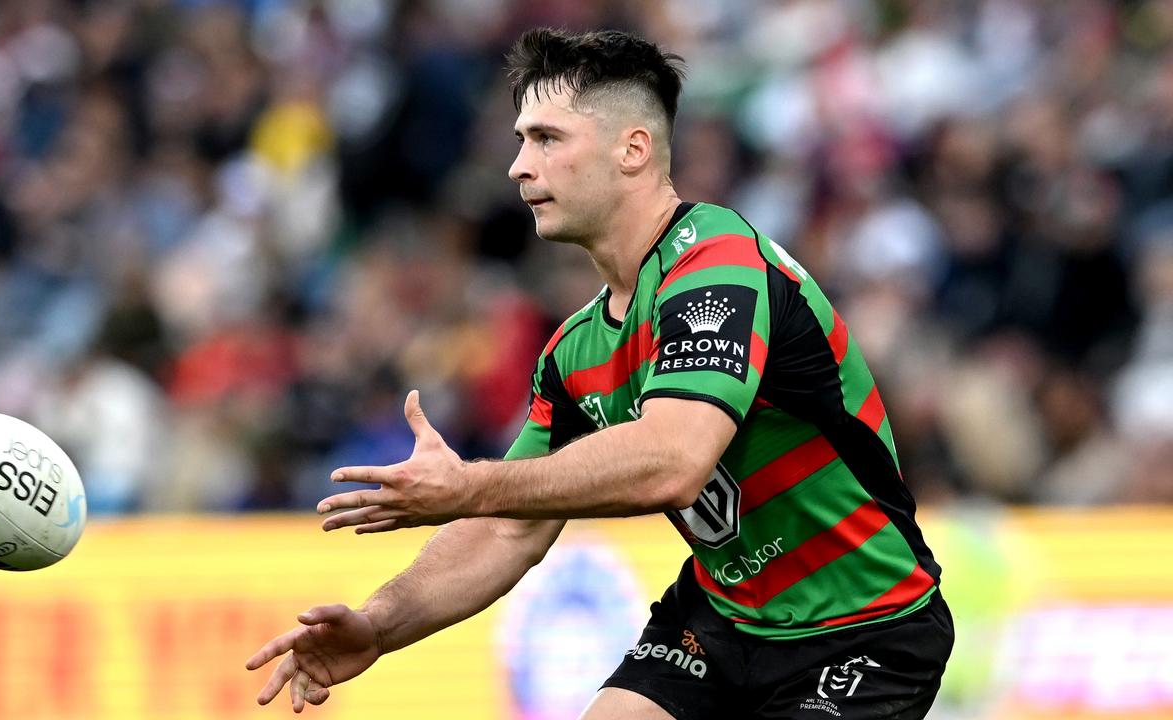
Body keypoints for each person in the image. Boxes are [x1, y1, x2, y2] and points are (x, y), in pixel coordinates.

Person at [246, 28, 953, 719]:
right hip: (727, 615)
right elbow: (508, 531)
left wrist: (471, 485)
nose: (520, 167)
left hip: (867, 623)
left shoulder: (720, 265)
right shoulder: (576, 351)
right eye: (520, 141)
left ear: (633, 150)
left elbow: (672, 461)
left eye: (547, 139)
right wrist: (378, 625)